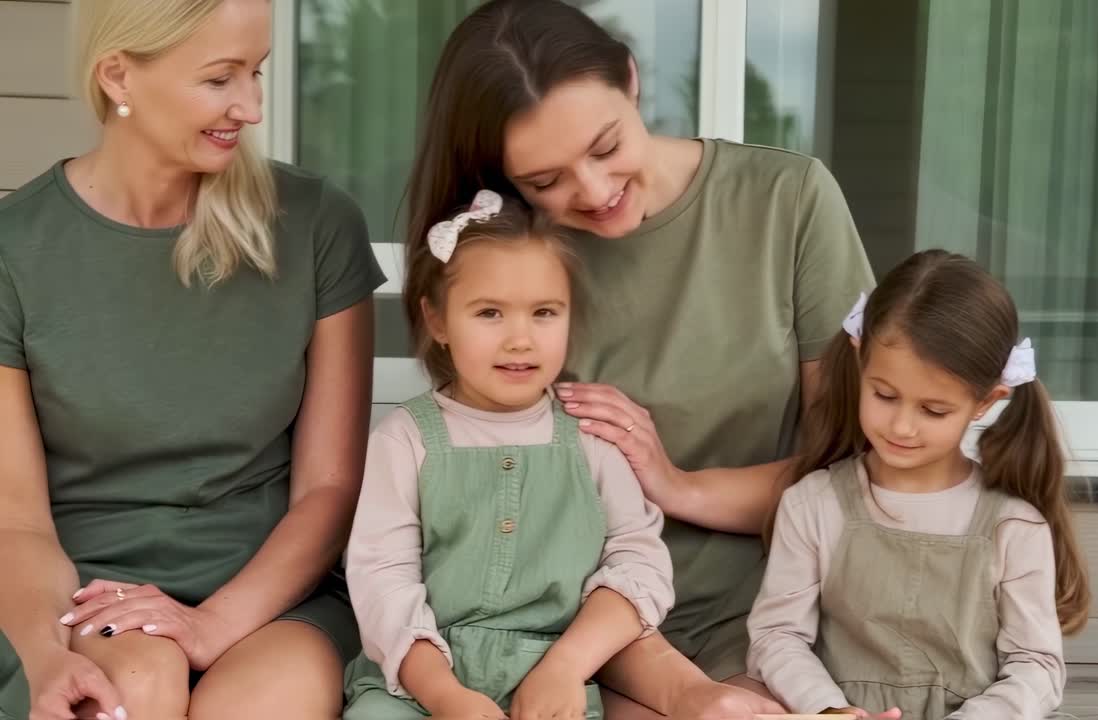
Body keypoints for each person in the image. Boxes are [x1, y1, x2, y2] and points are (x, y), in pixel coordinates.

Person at [407, 1, 874, 715]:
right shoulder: (501, 266)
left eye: (604, 146)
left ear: (631, 81)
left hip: (773, 615)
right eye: (544, 181)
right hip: (571, 631)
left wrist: (678, 485)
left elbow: (854, 472)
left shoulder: (790, 201)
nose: (593, 193)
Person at [0, 1, 384, 718]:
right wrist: (46, 656)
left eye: (258, 72)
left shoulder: (316, 225)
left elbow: (328, 489)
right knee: (139, 681)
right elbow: (15, 522)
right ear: (119, 75)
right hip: (80, 597)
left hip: (271, 600)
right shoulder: (15, 251)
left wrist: (213, 624)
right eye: (221, 79)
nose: (252, 106)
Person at [342, 191, 674, 720]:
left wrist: (565, 667)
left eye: (544, 312)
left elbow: (639, 564)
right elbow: (383, 579)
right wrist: (447, 696)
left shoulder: (590, 434)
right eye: (489, 313)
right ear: (438, 322)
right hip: (418, 683)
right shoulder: (406, 438)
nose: (520, 340)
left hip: (553, 683)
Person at [746, 250, 1092, 719]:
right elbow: (777, 637)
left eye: (933, 410)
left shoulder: (1014, 525)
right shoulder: (813, 505)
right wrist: (827, 709)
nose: (903, 427)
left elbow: (1036, 665)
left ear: (986, 402)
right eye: (884, 395)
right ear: (859, 357)